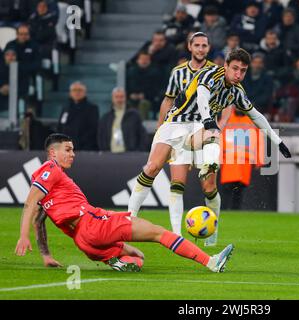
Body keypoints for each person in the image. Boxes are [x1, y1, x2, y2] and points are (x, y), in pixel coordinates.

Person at [127, 48, 292, 247]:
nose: (238, 74)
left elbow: (256, 116)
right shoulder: (210, 74)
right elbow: (203, 95)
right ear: (226, 66)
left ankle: (211, 234)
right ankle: (129, 219)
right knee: (152, 168)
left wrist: (277, 141)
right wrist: (208, 120)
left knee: (210, 186)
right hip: (176, 123)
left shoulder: (237, 92)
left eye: (243, 70)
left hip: (200, 130)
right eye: (235, 69)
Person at [14, 133, 234, 273]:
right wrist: (23, 237)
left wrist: (46, 255)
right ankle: (211, 262)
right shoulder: (50, 169)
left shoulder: (49, 186)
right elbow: (29, 205)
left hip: (85, 243)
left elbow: (39, 220)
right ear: (52, 152)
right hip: (94, 224)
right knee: (159, 233)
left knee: (138, 257)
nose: (73, 154)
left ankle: (120, 261)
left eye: (73, 149)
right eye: (68, 149)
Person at [155, 32, 221, 245]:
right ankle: (176, 234)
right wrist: (161, 130)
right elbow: (168, 100)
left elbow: (225, 102)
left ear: (208, 48)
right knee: (177, 182)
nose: (201, 49)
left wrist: (219, 127)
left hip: (204, 130)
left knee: (209, 187)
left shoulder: (216, 72)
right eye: (197, 45)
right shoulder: (177, 73)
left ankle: (212, 234)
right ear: (190, 47)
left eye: (204, 45)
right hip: (178, 129)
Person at [220, 106, 264, 210]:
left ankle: (232, 212)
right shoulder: (227, 118)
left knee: (238, 191)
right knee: (228, 190)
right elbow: (220, 138)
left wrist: (259, 160)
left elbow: (259, 141)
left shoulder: (250, 120)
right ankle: (227, 211)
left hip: (243, 161)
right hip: (230, 162)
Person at [97, 87, 149, 152]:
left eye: (121, 97)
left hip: (130, 156)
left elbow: (143, 136)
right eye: (117, 97)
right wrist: (104, 152)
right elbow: (101, 138)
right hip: (109, 156)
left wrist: (137, 152)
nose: (119, 99)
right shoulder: (105, 118)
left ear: (125, 98)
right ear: (112, 99)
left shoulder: (134, 115)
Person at [57, 81, 99, 151]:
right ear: (70, 93)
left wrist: (78, 142)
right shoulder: (65, 108)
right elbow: (60, 126)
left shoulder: (92, 108)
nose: (77, 92)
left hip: (84, 149)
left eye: (80, 90)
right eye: (74, 90)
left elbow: (93, 129)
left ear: (85, 92)